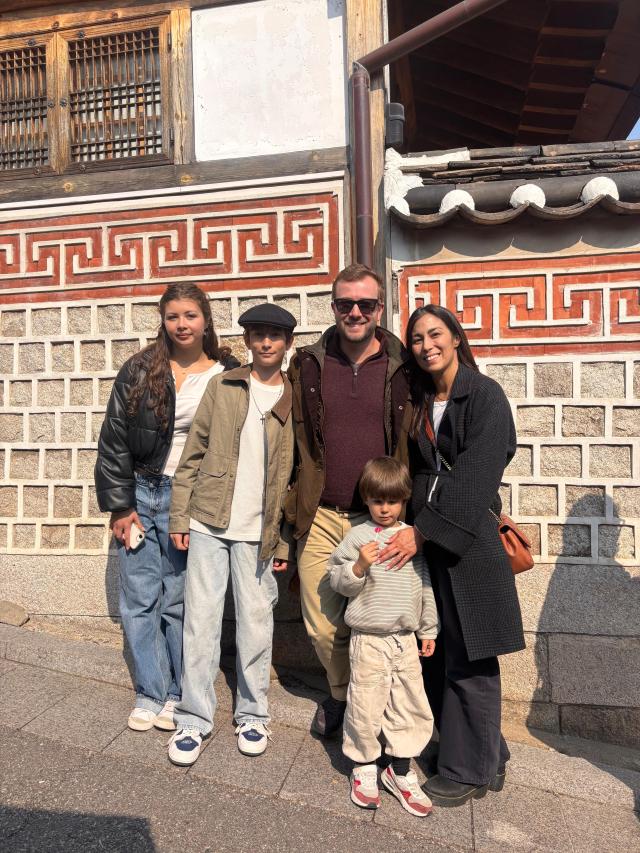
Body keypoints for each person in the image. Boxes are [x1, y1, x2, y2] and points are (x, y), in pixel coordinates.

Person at [378, 303, 525, 808]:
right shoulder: (422, 397)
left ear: (456, 338)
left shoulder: (484, 395)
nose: (426, 346)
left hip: (470, 541)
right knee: (439, 651)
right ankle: (488, 755)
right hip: (431, 536)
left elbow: (479, 472)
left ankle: (467, 770)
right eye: (416, 339)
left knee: (471, 655)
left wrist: (423, 533)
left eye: (435, 334)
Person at [95, 283, 237, 732]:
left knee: (178, 599)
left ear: (206, 319)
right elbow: (114, 439)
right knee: (138, 597)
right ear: (163, 320)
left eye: (190, 315)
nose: (182, 324)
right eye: (174, 316)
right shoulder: (139, 369)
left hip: (187, 497)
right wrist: (119, 507)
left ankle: (179, 692)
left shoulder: (225, 373)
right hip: (140, 491)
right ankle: (149, 692)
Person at [167, 303, 296, 766]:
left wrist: (282, 539)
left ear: (287, 343)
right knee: (200, 621)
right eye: (257, 334)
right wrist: (179, 517)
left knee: (256, 625)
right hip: (208, 520)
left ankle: (253, 713)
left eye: (274, 335)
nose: (265, 342)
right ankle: (193, 719)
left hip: (258, 531)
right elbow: (193, 453)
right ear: (247, 341)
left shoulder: (292, 398)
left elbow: (294, 478)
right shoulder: (224, 385)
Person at [286, 263, 411, 738]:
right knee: (321, 624)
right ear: (333, 306)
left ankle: (370, 703)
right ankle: (343, 697)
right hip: (321, 514)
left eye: (366, 304)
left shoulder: (404, 366)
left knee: (376, 622)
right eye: (345, 304)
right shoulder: (310, 364)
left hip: (380, 518)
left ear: (381, 308)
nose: (355, 312)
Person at [328, 457, 438, 818]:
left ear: (404, 500)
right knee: (366, 703)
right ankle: (363, 766)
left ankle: (400, 770)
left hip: (405, 639)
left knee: (409, 702)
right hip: (369, 639)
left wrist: (428, 628)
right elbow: (338, 581)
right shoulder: (358, 537)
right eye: (378, 501)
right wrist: (358, 566)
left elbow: (424, 586)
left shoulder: (410, 538)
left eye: (393, 501)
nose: (386, 509)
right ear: (367, 500)